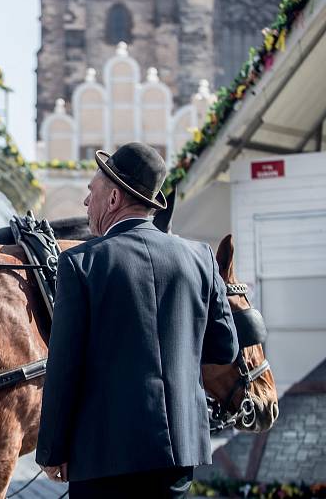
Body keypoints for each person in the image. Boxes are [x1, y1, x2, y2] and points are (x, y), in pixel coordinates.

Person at [36, 142, 239, 498]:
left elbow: (64, 368)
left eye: (91, 192)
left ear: (113, 199)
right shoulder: (200, 258)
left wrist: (52, 450)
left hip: (102, 456)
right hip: (177, 454)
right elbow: (225, 348)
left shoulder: (81, 264)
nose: (86, 203)